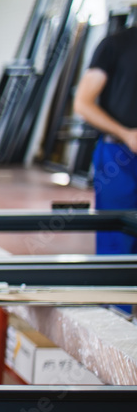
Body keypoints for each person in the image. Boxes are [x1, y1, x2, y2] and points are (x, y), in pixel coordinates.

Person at [73, 25, 137, 255]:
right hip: (120, 158)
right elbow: (83, 103)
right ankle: (117, 291)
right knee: (118, 238)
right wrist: (126, 133)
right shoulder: (116, 45)